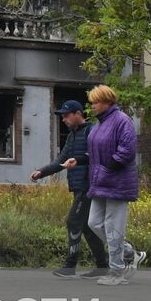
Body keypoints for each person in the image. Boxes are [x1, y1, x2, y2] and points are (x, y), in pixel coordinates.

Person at [73, 85, 146, 285]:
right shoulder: (98, 126)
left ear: (107, 102)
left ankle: (117, 273)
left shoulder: (122, 121)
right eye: (92, 102)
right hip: (100, 183)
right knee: (94, 223)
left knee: (113, 229)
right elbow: (95, 153)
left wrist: (107, 168)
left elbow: (127, 151)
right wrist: (79, 160)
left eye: (96, 102)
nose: (93, 106)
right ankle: (130, 252)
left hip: (117, 183)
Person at [30, 100, 109, 278]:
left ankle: (70, 265)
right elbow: (61, 160)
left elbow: (97, 156)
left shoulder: (91, 131)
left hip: (88, 186)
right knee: (89, 227)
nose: (63, 119)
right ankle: (103, 266)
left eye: (66, 115)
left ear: (78, 114)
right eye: (62, 116)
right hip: (78, 187)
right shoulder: (71, 136)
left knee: (73, 221)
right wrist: (41, 172)